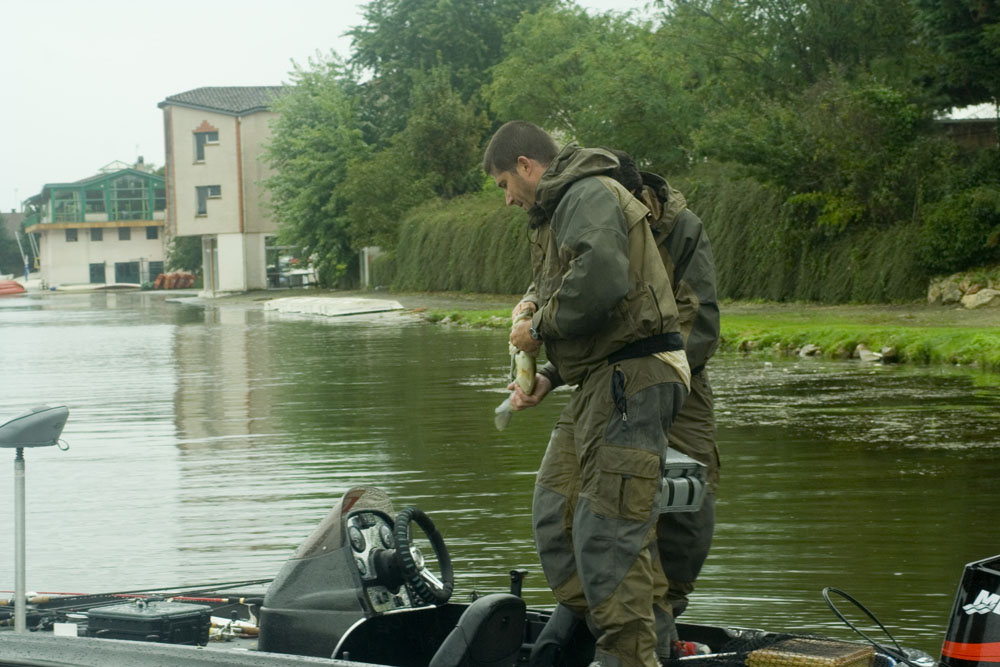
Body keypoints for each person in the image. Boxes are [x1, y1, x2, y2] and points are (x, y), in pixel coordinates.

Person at [483, 120, 691, 667]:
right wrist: (538, 333)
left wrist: (540, 327)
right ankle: (636, 638)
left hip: (633, 379)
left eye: (505, 183)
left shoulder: (585, 192)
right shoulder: (559, 210)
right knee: (558, 513)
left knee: (609, 534)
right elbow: (568, 283)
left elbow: (601, 278)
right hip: (600, 381)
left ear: (526, 165)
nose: (506, 199)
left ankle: (632, 655)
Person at [606, 149, 721, 651]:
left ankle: (667, 615)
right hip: (611, 383)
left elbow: (703, 321)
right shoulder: (594, 224)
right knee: (609, 499)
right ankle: (627, 622)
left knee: (690, 497)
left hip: (682, 378)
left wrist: (657, 370)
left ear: (638, 197)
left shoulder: (682, 228)